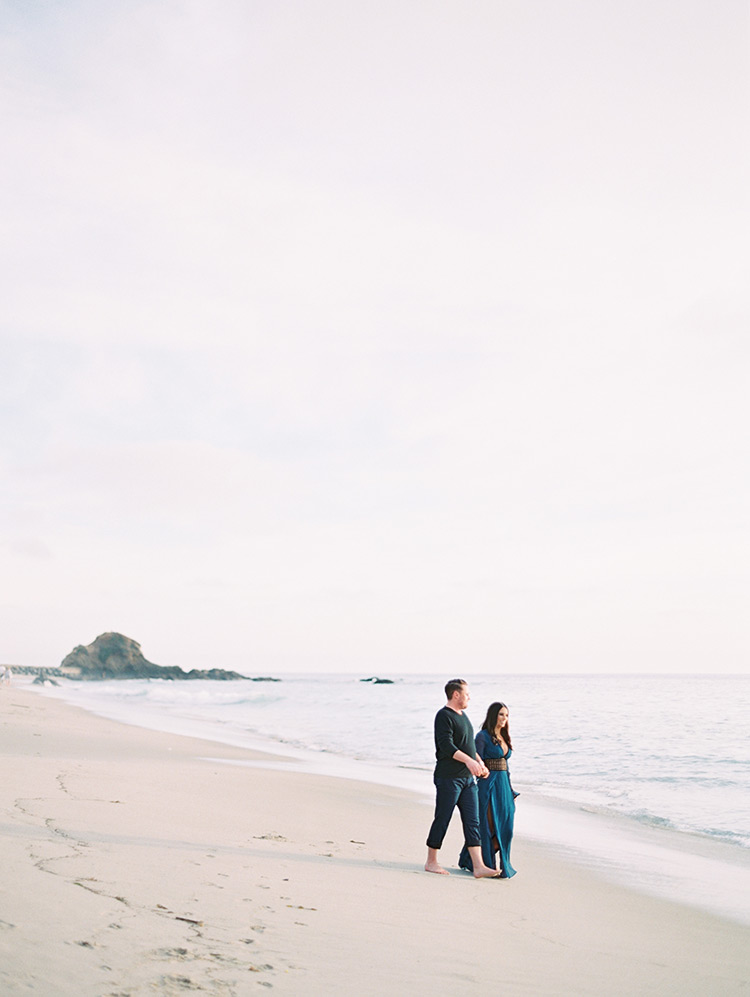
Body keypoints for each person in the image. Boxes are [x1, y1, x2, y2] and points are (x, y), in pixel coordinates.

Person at [425, 679, 501, 877]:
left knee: (473, 821)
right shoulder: (443, 716)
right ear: (456, 695)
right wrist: (469, 762)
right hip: (448, 777)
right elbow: (447, 746)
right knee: (443, 818)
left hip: (468, 781)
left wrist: (479, 763)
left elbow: (469, 746)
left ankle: (478, 866)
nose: (469, 697)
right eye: (467, 694)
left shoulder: (464, 716)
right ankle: (431, 861)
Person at [458, 701, 517, 878]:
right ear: (493, 716)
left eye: (506, 715)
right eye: (501, 714)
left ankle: (473, 860)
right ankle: (484, 864)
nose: (504, 719)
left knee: (506, 827)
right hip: (488, 785)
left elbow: (506, 767)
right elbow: (475, 760)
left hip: (504, 787)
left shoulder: (505, 737)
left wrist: (511, 790)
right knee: (489, 825)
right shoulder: (482, 736)